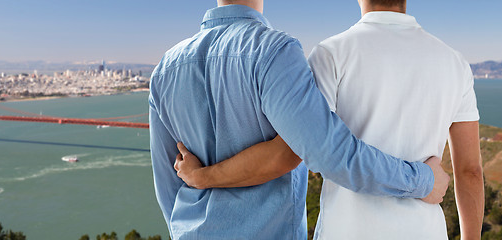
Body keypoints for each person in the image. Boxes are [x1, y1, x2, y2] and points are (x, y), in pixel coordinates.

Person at [174, 0, 484, 239]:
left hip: (347, 230)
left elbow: (291, 151)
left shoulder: (331, 53)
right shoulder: (454, 63)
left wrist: (204, 176)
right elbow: (469, 173)